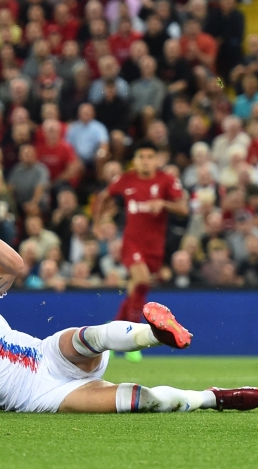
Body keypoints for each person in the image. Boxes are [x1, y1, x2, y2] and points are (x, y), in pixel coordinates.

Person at [0, 195, 258, 415]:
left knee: (88, 337)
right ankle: (212, 398)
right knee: (140, 399)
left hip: (45, 354)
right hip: (40, 395)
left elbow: (15, 266)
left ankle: (158, 334)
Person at [92, 140, 188, 361]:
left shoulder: (167, 180)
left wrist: (163, 204)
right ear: (135, 160)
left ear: (157, 160)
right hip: (131, 244)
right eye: (141, 157)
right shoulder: (126, 179)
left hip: (154, 248)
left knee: (137, 287)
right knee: (142, 280)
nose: (145, 161)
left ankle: (114, 328)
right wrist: (96, 224)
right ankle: (131, 335)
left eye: (149, 157)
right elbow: (105, 195)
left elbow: (183, 208)